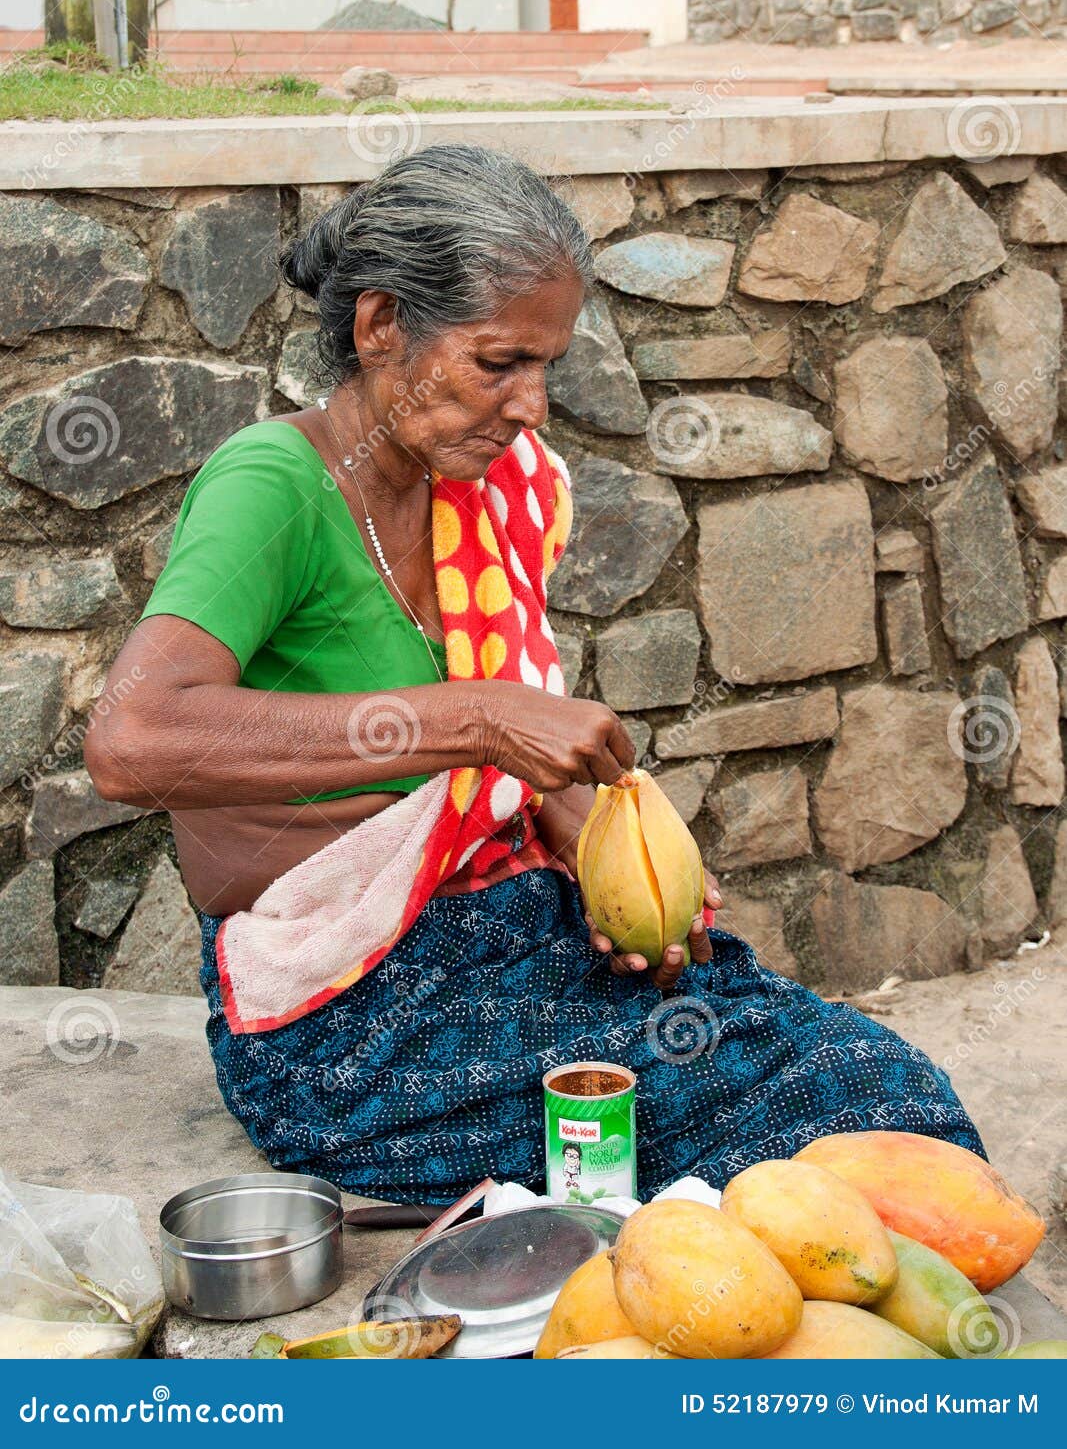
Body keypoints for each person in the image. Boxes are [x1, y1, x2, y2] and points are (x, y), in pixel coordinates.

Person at [86, 144, 984, 1206]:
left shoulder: (478, 487)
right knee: (841, 1120)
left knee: (849, 1070)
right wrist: (478, 720)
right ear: (380, 329)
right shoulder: (274, 486)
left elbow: (490, 777)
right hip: (355, 1024)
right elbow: (131, 743)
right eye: (498, 361)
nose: (532, 405)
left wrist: (585, 841)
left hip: (510, 931)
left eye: (546, 365)